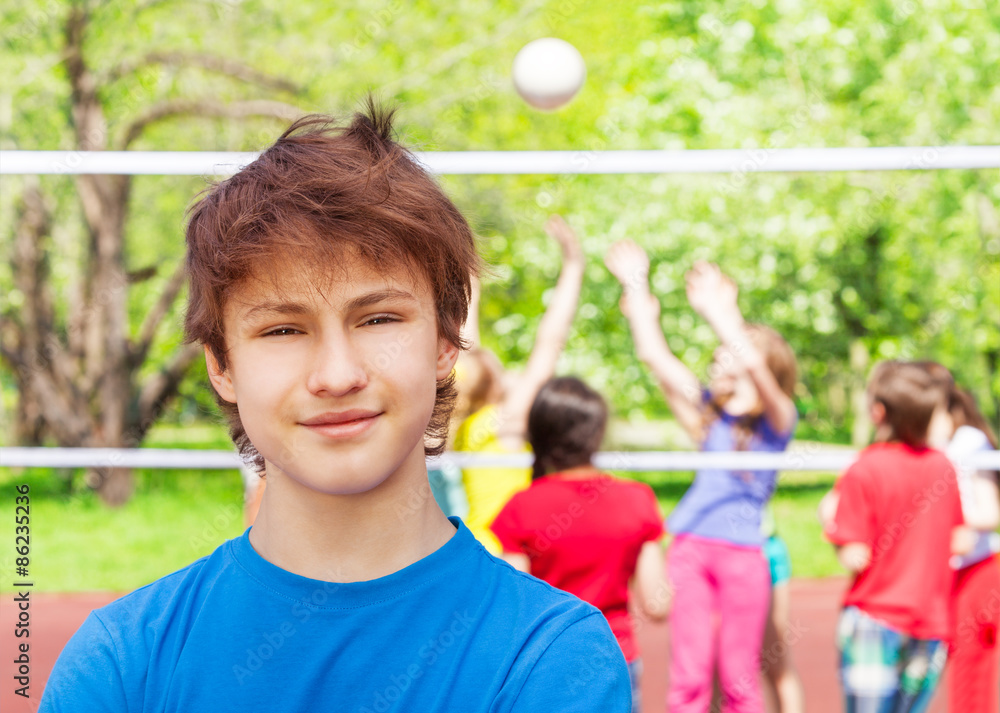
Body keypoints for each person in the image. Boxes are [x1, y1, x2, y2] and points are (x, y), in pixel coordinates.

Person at [39, 104, 630, 712]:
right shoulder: (121, 663)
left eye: (378, 319)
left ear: (446, 342)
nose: (337, 375)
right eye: (282, 330)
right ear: (221, 365)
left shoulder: (550, 658)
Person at [605, 242, 798, 713]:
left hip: (743, 555)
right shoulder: (711, 416)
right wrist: (635, 283)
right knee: (689, 679)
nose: (724, 354)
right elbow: (655, 356)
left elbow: (752, 363)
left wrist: (722, 311)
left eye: (734, 349)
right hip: (690, 546)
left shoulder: (777, 421)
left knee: (739, 680)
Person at [491, 376, 670, 713]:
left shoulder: (520, 507)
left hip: (546, 666)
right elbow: (658, 604)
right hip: (616, 657)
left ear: (537, 435)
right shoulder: (638, 500)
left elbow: (514, 608)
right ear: (598, 433)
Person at [822, 361, 964, 713]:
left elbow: (854, 551)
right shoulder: (943, 467)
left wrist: (837, 536)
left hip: (874, 617)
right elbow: (959, 540)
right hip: (930, 620)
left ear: (878, 412)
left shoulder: (865, 468)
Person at [453, 215, 584, 553]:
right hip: (500, 552)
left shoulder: (466, 423)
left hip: (471, 545)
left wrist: (470, 277)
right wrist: (573, 265)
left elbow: (467, 344)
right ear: (493, 384)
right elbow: (549, 344)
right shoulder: (504, 422)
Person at [931, 381, 999, 713]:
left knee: (970, 664)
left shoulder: (968, 442)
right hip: (939, 572)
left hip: (975, 571)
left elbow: (989, 510)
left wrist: (953, 526)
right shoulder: (919, 446)